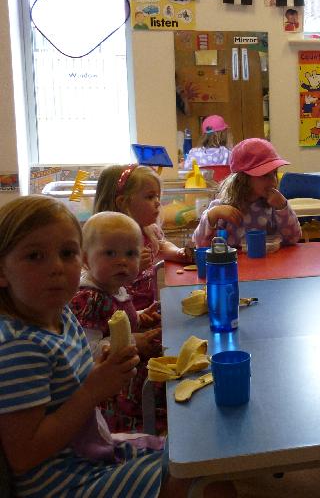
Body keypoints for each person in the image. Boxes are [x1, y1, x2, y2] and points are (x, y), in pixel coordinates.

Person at [0, 196, 165, 497]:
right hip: (67, 483)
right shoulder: (19, 347)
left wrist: (101, 368)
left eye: (67, 252)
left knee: (194, 462)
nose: (57, 268)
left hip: (94, 452)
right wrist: (92, 390)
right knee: (195, 483)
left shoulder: (60, 313)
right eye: (35, 256)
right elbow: (24, 455)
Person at [69, 212, 164, 435]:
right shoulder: (89, 299)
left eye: (131, 254)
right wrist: (133, 341)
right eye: (110, 253)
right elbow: (88, 351)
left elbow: (112, 323)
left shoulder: (113, 286)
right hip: (112, 392)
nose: (122, 261)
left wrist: (139, 316)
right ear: (85, 259)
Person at [94, 165, 193, 310]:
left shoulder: (147, 231)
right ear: (123, 203)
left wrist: (177, 252)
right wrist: (131, 268)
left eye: (157, 196)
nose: (158, 202)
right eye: (150, 196)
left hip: (147, 312)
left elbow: (161, 245)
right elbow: (102, 286)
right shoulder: (108, 242)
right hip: (120, 318)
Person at [192, 138, 302, 248]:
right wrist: (213, 215)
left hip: (268, 264)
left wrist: (282, 207)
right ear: (243, 179)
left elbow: (293, 238)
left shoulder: (273, 207)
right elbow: (200, 244)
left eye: (274, 173)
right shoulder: (222, 207)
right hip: (235, 264)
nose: (273, 181)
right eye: (264, 175)